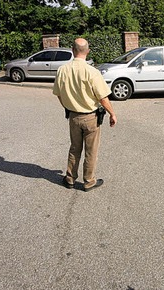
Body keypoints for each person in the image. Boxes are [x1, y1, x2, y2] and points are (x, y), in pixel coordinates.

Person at [52, 38, 117, 192]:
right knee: (91, 150)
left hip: (73, 116)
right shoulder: (92, 72)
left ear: (72, 50)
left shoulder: (62, 70)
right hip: (91, 118)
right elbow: (103, 97)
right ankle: (88, 181)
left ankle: (70, 179)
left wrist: (69, 107)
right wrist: (112, 113)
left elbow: (59, 94)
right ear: (87, 51)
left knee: (75, 148)